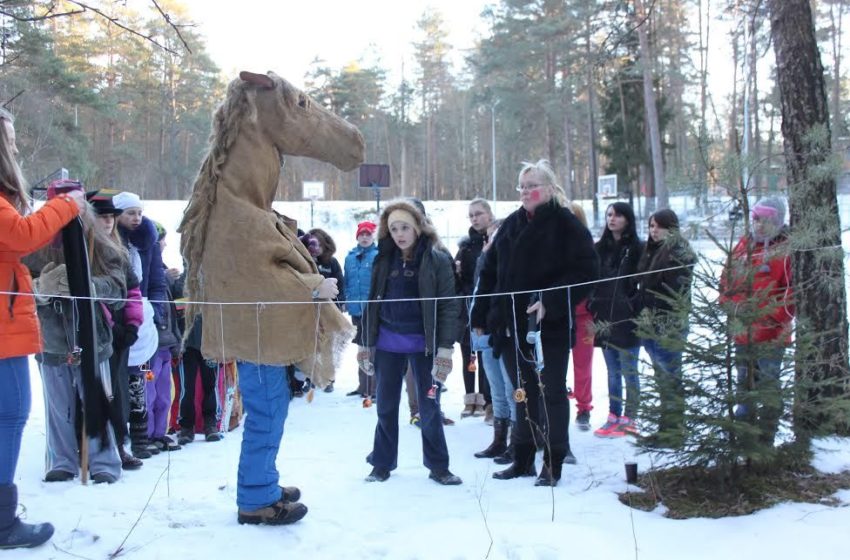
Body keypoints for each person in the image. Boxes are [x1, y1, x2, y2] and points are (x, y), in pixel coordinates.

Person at [471, 159, 598, 486]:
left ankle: (552, 462)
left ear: (550, 189)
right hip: (511, 325)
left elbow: (587, 271)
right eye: (522, 187)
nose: (526, 192)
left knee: (552, 392)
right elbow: (489, 272)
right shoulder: (512, 223)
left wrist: (552, 301)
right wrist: (482, 314)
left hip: (549, 327)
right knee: (522, 392)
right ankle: (523, 457)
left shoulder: (565, 224)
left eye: (533, 186)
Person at [0, 107, 85, 549]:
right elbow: (23, 235)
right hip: (3, 330)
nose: (14, 148)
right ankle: (2, 522)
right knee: (10, 416)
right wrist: (67, 205)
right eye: (9, 141)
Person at [359, 200, 462, 485]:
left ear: (418, 227)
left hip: (424, 346)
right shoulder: (383, 259)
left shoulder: (437, 258)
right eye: (394, 229)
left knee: (429, 408)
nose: (400, 234)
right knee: (386, 406)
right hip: (388, 344)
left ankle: (439, 466)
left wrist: (445, 349)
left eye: (405, 227)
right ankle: (381, 464)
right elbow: (372, 302)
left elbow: (449, 306)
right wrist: (365, 344)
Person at [33, 183, 126, 485]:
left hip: (92, 338)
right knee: (59, 407)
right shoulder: (33, 242)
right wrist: (41, 290)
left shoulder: (101, 244)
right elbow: (17, 288)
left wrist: (87, 287)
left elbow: (119, 289)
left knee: (97, 401)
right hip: (50, 337)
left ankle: (104, 463)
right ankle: (61, 460)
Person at [720, 197, 793, 447]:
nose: (760, 225)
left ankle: (765, 442)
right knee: (744, 388)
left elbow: (791, 295)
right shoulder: (742, 246)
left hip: (772, 335)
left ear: (778, 221)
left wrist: (768, 318)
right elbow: (726, 280)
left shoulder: (786, 251)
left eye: (766, 220)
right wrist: (731, 307)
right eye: (757, 219)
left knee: (770, 389)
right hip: (742, 333)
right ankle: (744, 441)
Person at [114, 192, 181, 453]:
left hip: (144, 320)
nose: (136, 218)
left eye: (139, 213)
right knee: (123, 378)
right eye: (130, 213)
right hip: (119, 319)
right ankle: (125, 435)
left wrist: (155, 311)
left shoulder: (147, 242)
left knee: (142, 378)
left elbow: (155, 281)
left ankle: (146, 435)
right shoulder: (112, 242)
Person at [87, 189, 145, 470]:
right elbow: (94, 296)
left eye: (111, 216)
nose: (108, 222)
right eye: (102, 217)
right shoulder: (87, 249)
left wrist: (133, 324)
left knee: (119, 392)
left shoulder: (119, 249)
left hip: (121, 332)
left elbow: (133, 290)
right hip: (99, 331)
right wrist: (112, 324)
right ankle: (99, 448)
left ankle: (120, 444)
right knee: (100, 392)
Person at [636, 209, 695, 446]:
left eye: (659, 226)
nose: (654, 231)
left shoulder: (680, 253)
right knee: (662, 379)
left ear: (672, 227)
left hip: (669, 325)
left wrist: (649, 297)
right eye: (651, 226)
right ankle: (665, 428)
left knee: (671, 378)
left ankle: (674, 431)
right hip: (650, 323)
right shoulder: (651, 252)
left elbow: (675, 292)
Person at [590, 202, 644, 439]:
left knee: (629, 370)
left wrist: (632, 304)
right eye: (609, 215)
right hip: (603, 317)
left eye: (618, 215)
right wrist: (593, 302)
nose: (612, 219)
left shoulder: (637, 248)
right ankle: (613, 414)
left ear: (628, 219)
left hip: (628, 318)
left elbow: (644, 283)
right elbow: (589, 279)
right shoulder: (599, 248)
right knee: (612, 371)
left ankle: (630, 417)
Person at [471, 218, 517, 461]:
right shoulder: (483, 261)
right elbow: (478, 294)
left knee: (512, 390)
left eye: (495, 237)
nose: (490, 242)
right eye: (487, 237)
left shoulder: (513, 263)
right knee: (497, 390)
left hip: (506, 333)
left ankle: (517, 443)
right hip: (485, 333)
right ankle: (499, 440)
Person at [455, 198, 493, 419]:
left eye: (478, 213)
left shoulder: (496, 240)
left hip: (488, 308)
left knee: (486, 355)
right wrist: (457, 272)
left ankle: (488, 401)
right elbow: (457, 283)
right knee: (468, 355)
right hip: (468, 306)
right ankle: (471, 400)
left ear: (489, 214)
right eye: (471, 215)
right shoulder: (465, 246)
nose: (475, 218)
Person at [566, 202, 595, 431]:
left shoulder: (588, 248)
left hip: (584, 316)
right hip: (558, 314)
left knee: (583, 364)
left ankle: (584, 407)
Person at [344, 221, 378, 400]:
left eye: (368, 234)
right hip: (356, 309)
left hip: (372, 310)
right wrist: (347, 300)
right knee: (361, 347)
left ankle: (373, 388)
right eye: (361, 234)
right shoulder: (349, 257)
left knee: (372, 348)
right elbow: (347, 280)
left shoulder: (377, 256)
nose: (364, 237)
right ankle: (362, 385)